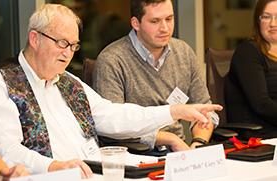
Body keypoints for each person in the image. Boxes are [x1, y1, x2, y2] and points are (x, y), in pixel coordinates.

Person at [0, 4, 222, 178]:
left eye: (73, 45)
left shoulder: (68, 81)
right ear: (35, 38)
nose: (68, 53)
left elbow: (114, 115)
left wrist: (174, 111)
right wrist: (53, 167)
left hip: (98, 175)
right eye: (62, 43)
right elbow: (4, 150)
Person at [93, 0, 217, 149]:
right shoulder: (112, 60)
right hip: (136, 156)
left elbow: (205, 111)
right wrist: (170, 139)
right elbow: (113, 125)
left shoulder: (184, 52)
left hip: (179, 152)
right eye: (155, 21)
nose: (164, 28)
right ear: (136, 23)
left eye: (169, 19)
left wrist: (198, 143)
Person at [226, 0, 277, 139]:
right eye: (266, 17)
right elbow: (262, 105)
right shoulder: (248, 52)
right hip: (260, 136)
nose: (273, 23)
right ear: (258, 20)